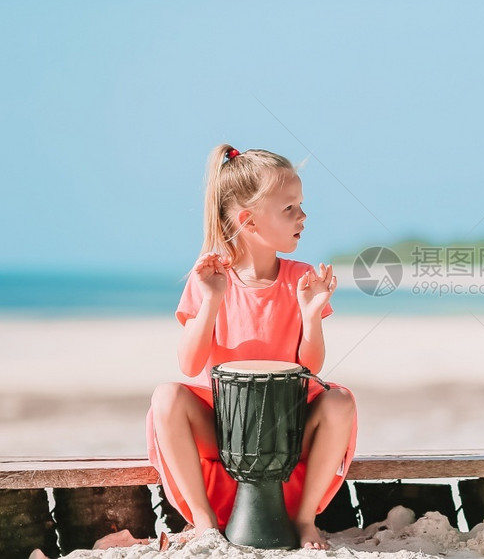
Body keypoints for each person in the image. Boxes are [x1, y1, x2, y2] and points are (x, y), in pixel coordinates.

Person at [146, 144, 357, 550]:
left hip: (289, 427)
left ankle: (304, 519)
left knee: (341, 401)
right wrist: (211, 300)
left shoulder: (302, 277)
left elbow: (310, 366)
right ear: (248, 220)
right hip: (224, 428)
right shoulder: (209, 277)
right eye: (289, 208)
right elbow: (189, 365)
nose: (303, 217)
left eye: (301, 206)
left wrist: (311, 316)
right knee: (165, 397)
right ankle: (205, 520)